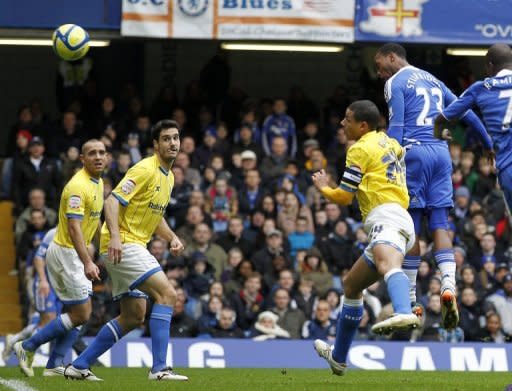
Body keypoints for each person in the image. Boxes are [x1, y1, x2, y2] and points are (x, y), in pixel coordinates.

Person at [374, 43, 493, 330]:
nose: (379, 73)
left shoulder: (395, 82)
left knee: (411, 225)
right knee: (440, 223)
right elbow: (466, 113)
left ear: (392, 57)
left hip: (414, 154)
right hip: (441, 154)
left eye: (379, 66)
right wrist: (488, 143)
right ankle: (449, 284)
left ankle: (413, 298)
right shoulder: (433, 79)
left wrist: (384, 163)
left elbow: (398, 128)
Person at [65, 120, 188, 381]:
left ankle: (79, 365)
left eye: (176, 138)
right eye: (166, 138)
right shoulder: (144, 169)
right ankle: (160, 369)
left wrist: (172, 237)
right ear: (156, 145)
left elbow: (155, 216)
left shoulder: (170, 177)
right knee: (167, 294)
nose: (173, 143)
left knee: (133, 316)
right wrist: (117, 239)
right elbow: (112, 202)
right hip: (124, 245)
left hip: (131, 245)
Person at [312, 100, 419, 376]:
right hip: (398, 218)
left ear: (362, 125)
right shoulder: (388, 142)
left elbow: (345, 195)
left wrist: (325, 187)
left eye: (347, 119)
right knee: (350, 285)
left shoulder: (359, 149)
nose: (341, 123)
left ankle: (403, 309)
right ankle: (338, 357)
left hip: (386, 217)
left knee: (387, 266)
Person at [14, 140, 106, 378]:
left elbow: (93, 221)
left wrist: (105, 244)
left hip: (75, 253)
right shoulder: (78, 186)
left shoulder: (99, 182)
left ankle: (54, 364)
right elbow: (75, 229)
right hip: (67, 252)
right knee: (82, 314)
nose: (98, 157)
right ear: (82, 159)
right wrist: (88, 261)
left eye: (102, 153)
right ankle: (27, 346)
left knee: (78, 313)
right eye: (92, 153)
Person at [435, 44, 512, 211]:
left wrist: (439, 132)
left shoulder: (481, 88)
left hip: (507, 167)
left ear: (490, 66)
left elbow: (442, 118)